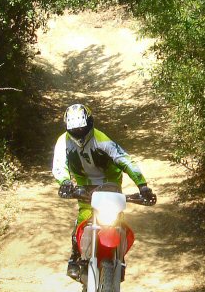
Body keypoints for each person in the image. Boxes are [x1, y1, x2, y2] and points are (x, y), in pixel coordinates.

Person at [53, 103, 156, 280]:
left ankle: (119, 258)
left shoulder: (102, 140)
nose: (79, 132)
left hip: (110, 181)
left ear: (90, 123)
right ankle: (75, 257)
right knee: (84, 216)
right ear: (68, 128)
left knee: (117, 218)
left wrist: (142, 185)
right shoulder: (63, 141)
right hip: (84, 183)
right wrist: (64, 182)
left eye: (82, 127)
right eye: (74, 129)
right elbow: (59, 165)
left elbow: (124, 160)